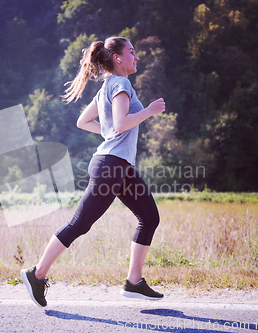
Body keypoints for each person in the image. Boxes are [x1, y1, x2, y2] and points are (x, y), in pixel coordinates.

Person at [21, 36, 166, 307]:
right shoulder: (121, 83)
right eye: (132, 52)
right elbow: (121, 124)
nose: (137, 57)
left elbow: (83, 121)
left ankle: (134, 281)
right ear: (117, 58)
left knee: (149, 217)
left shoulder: (107, 87)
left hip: (119, 165)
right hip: (111, 165)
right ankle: (36, 274)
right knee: (80, 224)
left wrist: (110, 131)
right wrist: (149, 110)